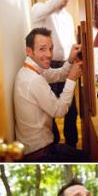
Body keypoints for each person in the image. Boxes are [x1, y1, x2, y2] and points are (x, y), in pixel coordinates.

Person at [14, 28, 87, 162]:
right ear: (29, 51)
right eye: (42, 49)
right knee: (89, 158)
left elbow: (58, 74)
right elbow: (59, 111)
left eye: (51, 49)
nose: (49, 54)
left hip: (42, 148)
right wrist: (71, 79)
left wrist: (70, 60)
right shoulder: (33, 80)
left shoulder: (32, 69)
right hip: (39, 154)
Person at [30, 0, 79, 148]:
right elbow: (53, 4)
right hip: (48, 66)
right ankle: (54, 142)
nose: (66, 2)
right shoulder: (40, 10)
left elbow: (70, 40)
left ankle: (71, 143)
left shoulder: (68, 17)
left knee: (71, 109)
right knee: (49, 109)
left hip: (67, 64)